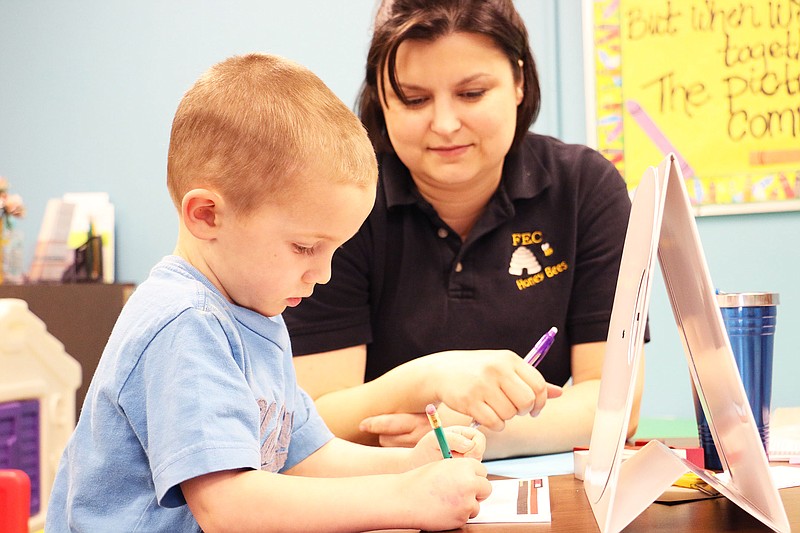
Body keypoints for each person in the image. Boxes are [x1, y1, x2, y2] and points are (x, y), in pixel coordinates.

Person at [45, 53, 491, 533]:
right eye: (304, 247)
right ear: (206, 215)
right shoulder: (184, 323)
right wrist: (404, 499)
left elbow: (304, 456)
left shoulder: (255, 313)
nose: (322, 274)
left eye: (333, 250)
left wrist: (410, 467)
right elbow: (229, 506)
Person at [284, 0, 645, 460]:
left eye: (472, 94)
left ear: (518, 81)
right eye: (415, 99)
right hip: (383, 493)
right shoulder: (343, 203)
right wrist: (429, 380)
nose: (446, 124)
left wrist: (458, 433)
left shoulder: (585, 188)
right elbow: (314, 419)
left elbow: (617, 403)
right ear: (380, 95)